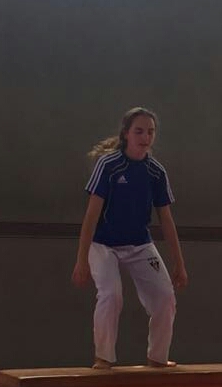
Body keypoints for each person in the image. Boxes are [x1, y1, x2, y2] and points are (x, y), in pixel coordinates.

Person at [71, 108, 187, 368]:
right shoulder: (109, 165)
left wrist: (179, 263)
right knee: (111, 295)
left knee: (165, 296)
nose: (145, 137)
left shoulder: (156, 172)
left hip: (139, 244)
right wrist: (81, 259)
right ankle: (103, 357)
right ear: (126, 134)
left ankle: (157, 358)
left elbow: (167, 220)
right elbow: (91, 216)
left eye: (150, 132)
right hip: (103, 245)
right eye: (139, 131)